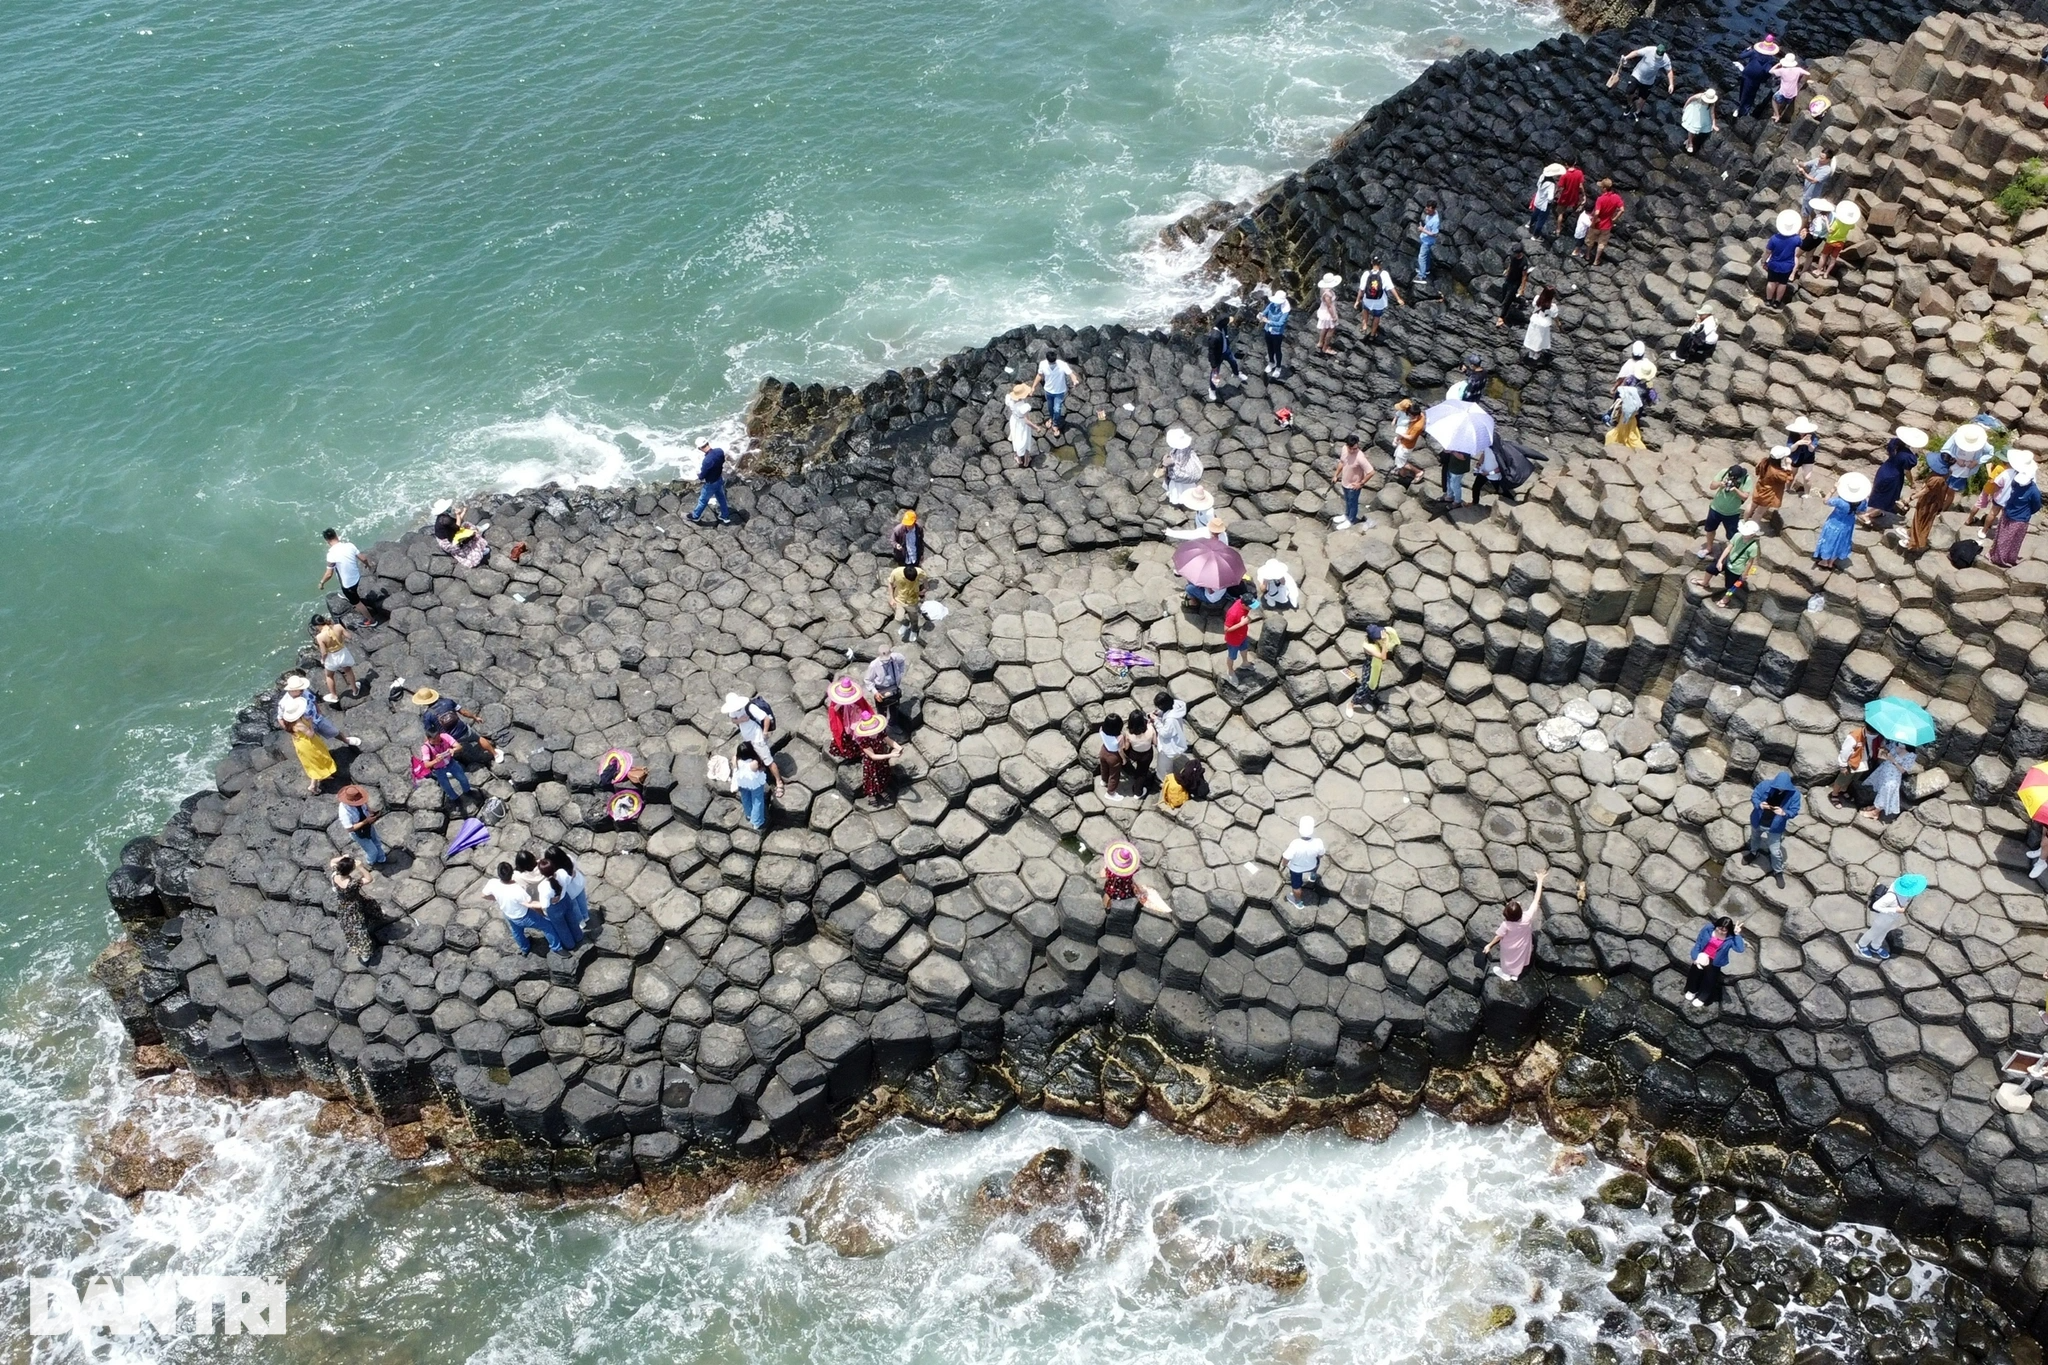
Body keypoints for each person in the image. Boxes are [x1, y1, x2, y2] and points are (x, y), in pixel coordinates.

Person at [1903, 424, 1984, 551]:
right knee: (1921, 519)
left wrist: (1910, 498)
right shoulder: (1945, 474)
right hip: (1935, 501)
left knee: (1922, 520)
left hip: (1928, 502)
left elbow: (1925, 490)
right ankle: (1912, 534)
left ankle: (1915, 543)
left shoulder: (1936, 479)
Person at [480, 862, 562, 956]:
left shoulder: (492, 883)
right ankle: (557, 947)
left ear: (499, 874)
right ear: (512, 873)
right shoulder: (517, 889)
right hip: (524, 916)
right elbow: (530, 904)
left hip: (508, 914)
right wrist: (547, 903)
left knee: (517, 932)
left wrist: (496, 898)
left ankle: (525, 948)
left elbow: (483, 895)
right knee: (547, 926)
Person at [1482, 869, 1548, 981]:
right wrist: (1540, 880)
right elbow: (1536, 899)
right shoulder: (1527, 917)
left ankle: (1506, 974)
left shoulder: (1506, 924)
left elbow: (1498, 936)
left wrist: (1489, 945)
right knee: (1519, 959)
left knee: (1507, 960)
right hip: (1523, 944)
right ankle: (1515, 975)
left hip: (1509, 946)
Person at [411, 687, 501, 763]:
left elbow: (430, 732)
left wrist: (427, 744)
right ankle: (495, 754)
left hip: (449, 738)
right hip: (463, 729)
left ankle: (448, 765)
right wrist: (475, 717)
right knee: (478, 738)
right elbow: (463, 712)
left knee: (446, 751)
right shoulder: (448, 702)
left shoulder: (427, 716)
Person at [721, 692, 785, 796]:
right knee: (752, 756)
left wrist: (764, 732)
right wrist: (741, 720)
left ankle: (779, 782)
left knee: (768, 761)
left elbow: (766, 718)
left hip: (758, 739)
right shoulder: (733, 710)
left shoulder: (750, 708)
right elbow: (733, 720)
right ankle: (760, 768)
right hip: (747, 739)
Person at [1746, 771, 1801, 886]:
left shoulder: (1795, 794)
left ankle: (1778, 871)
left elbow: (1794, 810)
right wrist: (1759, 804)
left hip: (1775, 827)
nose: (1780, 789)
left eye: (1783, 788)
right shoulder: (1765, 785)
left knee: (1775, 851)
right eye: (1777, 787)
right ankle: (1753, 852)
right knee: (1755, 837)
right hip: (1758, 820)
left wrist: (1784, 812)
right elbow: (1754, 796)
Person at [1682, 915, 1747, 1010]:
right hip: (1701, 956)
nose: (1720, 931)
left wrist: (1737, 935)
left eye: (1724, 930)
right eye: (1719, 928)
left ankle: (1702, 997)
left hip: (1716, 961)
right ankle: (1692, 990)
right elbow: (1699, 942)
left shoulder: (1730, 938)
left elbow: (1740, 949)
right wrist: (1695, 956)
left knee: (1709, 980)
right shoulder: (1708, 929)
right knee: (1694, 974)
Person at [1866, 426, 1926, 526]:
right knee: (1887, 498)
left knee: (1880, 493)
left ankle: (1876, 512)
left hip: (1884, 470)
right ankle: (1867, 515)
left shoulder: (1894, 443)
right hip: (1893, 477)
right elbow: (1907, 471)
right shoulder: (1908, 456)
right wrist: (1912, 483)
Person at [1856, 874, 1926, 960]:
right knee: (1873, 932)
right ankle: (1861, 944)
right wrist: (1895, 909)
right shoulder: (1891, 897)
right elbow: (1876, 906)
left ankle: (1875, 946)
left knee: (1883, 933)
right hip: (1883, 919)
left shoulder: (1901, 891)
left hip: (1891, 919)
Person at [1991, 451, 2041, 567]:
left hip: (2020, 518)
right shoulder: (2016, 482)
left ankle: (2009, 558)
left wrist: (2026, 513)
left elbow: (2036, 505)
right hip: (2008, 512)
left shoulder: (2033, 491)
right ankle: (1999, 558)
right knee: (2003, 537)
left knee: (2014, 540)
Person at [318, 529, 377, 628]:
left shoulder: (331, 554)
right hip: (356, 577)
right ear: (336, 535)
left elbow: (329, 574)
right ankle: (352, 596)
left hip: (347, 584)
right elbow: (363, 558)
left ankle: (371, 621)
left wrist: (321, 583)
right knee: (353, 592)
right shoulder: (350, 545)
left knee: (357, 602)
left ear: (327, 541)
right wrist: (368, 565)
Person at [278, 675, 359, 748]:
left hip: (317, 718)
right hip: (305, 726)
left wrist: (318, 710)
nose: (303, 690)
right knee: (316, 744)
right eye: (300, 689)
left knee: (334, 731)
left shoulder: (304, 690)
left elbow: (312, 699)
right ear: (293, 690)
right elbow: (280, 718)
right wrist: (291, 731)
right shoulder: (284, 703)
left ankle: (345, 740)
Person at [1697, 519, 1763, 607]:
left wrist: (1744, 573)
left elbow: (1750, 562)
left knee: (1731, 586)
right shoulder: (1737, 535)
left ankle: (1726, 599)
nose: (1743, 535)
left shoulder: (1753, 547)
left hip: (1737, 569)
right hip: (1728, 560)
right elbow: (1728, 548)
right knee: (1710, 569)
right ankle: (1705, 582)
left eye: (1746, 534)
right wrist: (1720, 561)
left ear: (1752, 534)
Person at [326, 855, 378, 965]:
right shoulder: (352, 884)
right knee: (359, 929)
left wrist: (343, 857)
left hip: (343, 903)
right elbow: (369, 878)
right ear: (351, 870)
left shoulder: (335, 874)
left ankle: (373, 920)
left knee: (369, 906)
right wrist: (360, 867)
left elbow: (332, 861)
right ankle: (365, 953)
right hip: (354, 906)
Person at [1696, 462, 1753, 561]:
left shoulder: (1746, 479)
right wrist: (1720, 484)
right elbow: (1712, 486)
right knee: (1710, 529)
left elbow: (1745, 496)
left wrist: (1735, 489)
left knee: (1732, 535)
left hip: (1732, 513)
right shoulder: (1724, 472)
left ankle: (1733, 553)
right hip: (1715, 508)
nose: (1732, 479)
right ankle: (1709, 548)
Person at [1814, 472, 1869, 571]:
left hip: (1834, 523)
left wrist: (1832, 490)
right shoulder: (1862, 502)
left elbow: (1826, 501)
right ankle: (1831, 563)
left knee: (1829, 540)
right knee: (1840, 542)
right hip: (1848, 524)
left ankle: (1824, 561)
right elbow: (1862, 512)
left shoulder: (1841, 502)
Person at [1344, 623, 1401, 717]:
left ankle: (1365, 700)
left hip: (1377, 666)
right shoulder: (1368, 646)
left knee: (1374, 686)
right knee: (1366, 686)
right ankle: (1351, 704)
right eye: (1378, 638)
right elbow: (1383, 657)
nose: (1382, 638)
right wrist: (1383, 643)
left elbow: (1393, 636)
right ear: (1374, 639)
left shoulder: (1385, 632)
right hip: (1371, 666)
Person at [412, 727, 474, 811]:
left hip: (451, 763)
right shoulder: (426, 748)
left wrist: (453, 750)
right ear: (429, 739)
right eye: (435, 740)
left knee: (462, 778)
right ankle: (455, 798)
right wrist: (435, 760)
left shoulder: (445, 737)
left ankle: (467, 791)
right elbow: (426, 765)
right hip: (439, 769)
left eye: (438, 739)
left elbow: (459, 747)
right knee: (446, 786)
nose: (438, 742)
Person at [1861, 742, 1918, 823]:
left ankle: (1875, 812)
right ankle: (1874, 806)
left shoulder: (1911, 755)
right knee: (1881, 791)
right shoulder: (1894, 745)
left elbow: (1903, 770)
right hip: (1884, 771)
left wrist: (1893, 760)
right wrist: (1884, 749)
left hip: (1893, 777)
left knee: (1887, 792)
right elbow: (1885, 749)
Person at [853, 713, 900, 807]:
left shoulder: (880, 733)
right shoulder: (864, 741)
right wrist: (890, 755)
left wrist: (898, 747)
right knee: (872, 779)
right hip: (871, 764)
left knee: (882, 775)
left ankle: (881, 790)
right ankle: (871, 794)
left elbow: (888, 740)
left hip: (882, 760)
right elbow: (873, 756)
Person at [1616, 42, 1674, 118]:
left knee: (1642, 98)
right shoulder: (1649, 50)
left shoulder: (1665, 59)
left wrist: (1671, 84)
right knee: (1629, 91)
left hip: (1648, 81)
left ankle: (1638, 112)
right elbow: (1636, 53)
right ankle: (1629, 105)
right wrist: (1626, 58)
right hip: (1637, 75)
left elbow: (1669, 71)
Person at [541, 845, 591, 933]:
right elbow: (575, 868)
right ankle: (586, 916)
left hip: (570, 892)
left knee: (575, 908)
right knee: (582, 902)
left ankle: (581, 923)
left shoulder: (556, 873)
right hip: (579, 884)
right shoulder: (569, 858)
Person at [1829, 722, 1881, 805]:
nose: (1873, 735)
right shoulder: (1854, 736)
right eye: (1871, 733)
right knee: (1841, 779)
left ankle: (1843, 790)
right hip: (1852, 763)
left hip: (1864, 763)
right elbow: (1845, 752)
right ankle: (1834, 794)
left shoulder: (1877, 736)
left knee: (1852, 778)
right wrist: (1843, 765)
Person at [825, 675, 874, 762]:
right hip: (843, 718)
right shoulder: (836, 700)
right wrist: (840, 704)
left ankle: (858, 750)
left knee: (856, 733)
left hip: (854, 717)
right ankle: (849, 752)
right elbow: (834, 710)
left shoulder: (857, 698)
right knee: (844, 734)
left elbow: (862, 706)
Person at [312, 616, 359, 704]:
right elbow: (349, 636)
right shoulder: (338, 626)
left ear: (316, 626)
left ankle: (334, 695)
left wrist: (323, 660)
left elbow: (324, 652)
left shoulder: (319, 636)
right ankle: (355, 690)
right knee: (348, 671)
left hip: (331, 657)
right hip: (342, 653)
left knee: (329, 676)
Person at [1354, 258, 1405, 340]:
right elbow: (1391, 288)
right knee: (1377, 316)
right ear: (1380, 264)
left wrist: (1357, 301)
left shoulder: (1366, 274)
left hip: (1367, 299)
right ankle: (1372, 334)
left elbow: (1361, 289)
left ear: (1371, 263)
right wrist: (1398, 299)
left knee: (1365, 310)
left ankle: (1364, 326)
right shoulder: (1384, 274)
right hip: (1379, 301)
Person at [1281, 816, 1326, 909]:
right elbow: (1321, 855)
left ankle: (1298, 902)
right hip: (1311, 865)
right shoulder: (1318, 842)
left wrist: (1284, 865)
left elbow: (1286, 857)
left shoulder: (1295, 844)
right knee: (1317, 861)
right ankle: (1313, 876)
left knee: (1296, 887)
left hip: (1296, 868)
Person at [1732, 33, 1781, 117]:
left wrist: (1746, 50)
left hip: (1746, 74)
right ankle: (1743, 112)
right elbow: (1768, 71)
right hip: (1755, 79)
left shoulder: (1754, 52)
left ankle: (1741, 106)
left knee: (1743, 91)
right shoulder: (1770, 59)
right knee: (1750, 95)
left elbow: (1741, 56)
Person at [336, 784, 386, 866]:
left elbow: (365, 805)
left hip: (368, 825)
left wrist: (371, 812)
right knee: (372, 851)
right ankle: (371, 863)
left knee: (377, 841)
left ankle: (381, 859)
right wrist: (366, 821)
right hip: (358, 832)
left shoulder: (360, 799)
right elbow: (350, 828)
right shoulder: (344, 812)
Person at [1331, 434, 1374, 529]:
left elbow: (1371, 472)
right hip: (1345, 482)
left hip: (1353, 486)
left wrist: (1361, 483)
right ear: (1347, 445)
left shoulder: (1360, 457)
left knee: (1353, 503)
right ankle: (1346, 515)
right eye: (1351, 448)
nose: (1352, 451)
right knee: (1347, 500)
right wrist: (1336, 475)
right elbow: (1342, 462)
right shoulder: (1344, 449)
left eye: (1355, 448)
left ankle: (1351, 520)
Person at [1577, 179, 1624, 266]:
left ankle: (1587, 255)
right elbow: (1622, 210)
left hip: (1597, 225)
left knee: (1590, 241)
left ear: (1605, 188)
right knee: (1602, 243)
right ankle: (1596, 260)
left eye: (1601, 187)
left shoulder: (1600, 199)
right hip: (1607, 225)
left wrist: (1593, 222)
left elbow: (1597, 213)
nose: (1600, 188)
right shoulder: (1616, 197)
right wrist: (1614, 219)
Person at [1763, 208, 1803, 307]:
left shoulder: (1774, 238)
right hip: (1788, 266)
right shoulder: (1796, 239)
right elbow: (1801, 244)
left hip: (1774, 264)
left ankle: (1768, 300)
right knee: (1782, 283)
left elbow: (1768, 252)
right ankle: (1777, 302)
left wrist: (1764, 261)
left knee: (1771, 281)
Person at [1158, 427, 1204, 506]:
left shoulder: (1179, 452)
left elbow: (1178, 464)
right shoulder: (1186, 447)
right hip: (1189, 470)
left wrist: (1167, 462)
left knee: (1178, 488)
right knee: (1187, 486)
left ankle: (1179, 501)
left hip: (1181, 474)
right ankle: (1189, 498)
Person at [290, 718, 336, 794]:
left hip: (301, 744)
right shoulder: (299, 724)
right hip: (308, 744)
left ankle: (324, 775)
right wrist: (310, 723)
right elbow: (310, 734)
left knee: (314, 762)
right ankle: (312, 786)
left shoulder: (289, 723)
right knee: (316, 762)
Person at [1748, 446, 1796, 517]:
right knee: (1759, 513)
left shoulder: (1764, 461)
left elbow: (1757, 470)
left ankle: (1745, 520)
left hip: (1760, 487)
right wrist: (1788, 464)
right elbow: (1789, 478)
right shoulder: (1777, 472)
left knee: (1752, 506)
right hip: (1767, 494)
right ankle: (1752, 526)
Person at [1034, 349, 1078, 428]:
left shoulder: (1062, 364)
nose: (1053, 363)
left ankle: (1055, 425)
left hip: (1059, 392)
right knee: (1051, 408)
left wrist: (1074, 380)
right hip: (1048, 391)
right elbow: (1039, 375)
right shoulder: (1042, 364)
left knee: (1057, 409)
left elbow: (1071, 374)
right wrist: (1033, 387)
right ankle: (1052, 418)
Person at [1100, 842, 1150, 909]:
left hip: (1111, 889)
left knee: (1107, 895)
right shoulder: (1132, 870)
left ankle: (1107, 907)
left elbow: (1102, 875)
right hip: (1126, 892)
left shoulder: (1111, 870)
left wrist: (1105, 867)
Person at [1816, 200, 1859, 279]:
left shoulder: (1837, 222)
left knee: (1823, 255)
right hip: (1840, 243)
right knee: (1833, 259)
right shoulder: (1850, 224)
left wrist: (1826, 222)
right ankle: (1826, 273)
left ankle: (1818, 270)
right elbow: (1853, 227)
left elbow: (1830, 231)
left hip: (1831, 241)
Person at [1206, 310, 1245, 399]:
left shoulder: (1223, 327)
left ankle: (1236, 373)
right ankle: (1212, 390)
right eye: (1227, 322)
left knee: (1234, 362)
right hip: (1218, 356)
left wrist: (1226, 339)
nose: (1228, 323)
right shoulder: (1214, 337)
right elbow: (1211, 352)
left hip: (1226, 351)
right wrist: (1213, 365)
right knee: (1215, 375)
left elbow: (1225, 335)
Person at [1388, 398, 1427, 485]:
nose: (1409, 416)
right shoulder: (1421, 415)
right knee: (1399, 457)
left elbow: (1411, 437)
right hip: (1404, 443)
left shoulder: (1417, 426)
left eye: (1410, 415)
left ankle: (1418, 472)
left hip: (1407, 445)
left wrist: (1400, 435)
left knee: (1400, 461)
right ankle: (1403, 473)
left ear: (1415, 416)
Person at [1493, 241, 1530, 329]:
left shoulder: (1524, 262)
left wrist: (1522, 289)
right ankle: (1521, 301)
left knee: (1508, 300)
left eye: (1515, 253)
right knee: (1505, 291)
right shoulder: (1513, 256)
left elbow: (1524, 277)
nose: (1514, 254)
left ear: (1519, 253)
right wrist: (1507, 270)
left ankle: (1501, 318)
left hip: (1516, 282)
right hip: (1509, 278)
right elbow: (1511, 264)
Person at [1005, 382, 1041, 467]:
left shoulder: (1010, 400)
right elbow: (1027, 421)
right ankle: (1026, 461)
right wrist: (1036, 427)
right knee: (1025, 440)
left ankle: (1018, 458)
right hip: (1022, 424)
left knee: (1016, 438)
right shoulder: (1023, 406)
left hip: (1014, 420)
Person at [1152, 691, 1189, 772]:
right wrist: (1160, 714)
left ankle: (1163, 778)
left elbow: (1165, 733)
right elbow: (1168, 712)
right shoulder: (1175, 705)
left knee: (1164, 764)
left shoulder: (1170, 720)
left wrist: (1156, 721)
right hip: (1177, 734)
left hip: (1170, 745)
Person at [1784, 416, 1821, 497]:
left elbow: (1812, 450)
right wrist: (1798, 443)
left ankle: (1807, 494)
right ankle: (1787, 489)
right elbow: (1790, 449)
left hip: (1807, 457)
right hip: (1795, 456)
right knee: (1791, 475)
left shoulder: (1812, 435)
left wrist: (1809, 444)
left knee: (1807, 478)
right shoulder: (1793, 435)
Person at [865, 650, 908, 719]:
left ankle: (893, 722)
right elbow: (867, 680)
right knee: (881, 711)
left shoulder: (895, 657)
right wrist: (875, 692)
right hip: (880, 690)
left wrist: (900, 673)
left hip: (893, 687)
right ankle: (883, 725)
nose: (886, 661)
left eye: (887, 659)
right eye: (883, 660)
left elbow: (902, 659)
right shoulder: (873, 665)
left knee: (894, 708)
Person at [1123, 708, 1157, 796]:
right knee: (1142, 773)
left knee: (1122, 750)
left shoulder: (1128, 733)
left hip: (1134, 754)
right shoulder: (1150, 728)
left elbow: (1126, 747)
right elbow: (1155, 742)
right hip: (1147, 755)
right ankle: (1138, 792)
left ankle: (1126, 766)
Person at [887, 563, 924, 643]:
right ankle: (906, 624)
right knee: (898, 618)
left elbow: (925, 578)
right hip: (899, 599)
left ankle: (914, 630)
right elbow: (890, 584)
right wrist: (891, 598)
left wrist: (925, 588)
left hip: (912, 601)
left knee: (914, 618)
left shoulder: (919, 572)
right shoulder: (896, 572)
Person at [1522, 286, 1560, 365]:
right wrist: (1558, 323)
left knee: (1532, 336)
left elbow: (1534, 305)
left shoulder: (1537, 299)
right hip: (1544, 323)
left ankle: (1531, 352)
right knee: (1540, 338)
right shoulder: (1552, 307)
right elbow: (1554, 316)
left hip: (1535, 320)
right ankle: (1537, 353)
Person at [1259, 289, 1291, 377]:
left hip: (1277, 333)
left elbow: (1280, 323)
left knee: (1277, 350)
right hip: (1267, 330)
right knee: (1269, 348)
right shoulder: (1272, 304)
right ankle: (1271, 362)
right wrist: (1260, 315)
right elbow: (1265, 311)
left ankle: (1278, 367)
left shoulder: (1285, 311)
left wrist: (1268, 321)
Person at [735, 753, 771, 830]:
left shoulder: (736, 759)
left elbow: (735, 766)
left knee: (745, 796)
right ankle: (756, 822)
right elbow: (762, 768)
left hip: (743, 781)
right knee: (757, 801)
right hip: (755, 783)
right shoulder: (754, 762)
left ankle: (748, 814)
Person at [1770, 52, 1809, 121]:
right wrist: (1799, 75)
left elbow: (1770, 71)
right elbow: (1808, 73)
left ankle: (1777, 115)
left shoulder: (1782, 70)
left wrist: (1777, 64)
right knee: (1784, 102)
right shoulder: (1798, 69)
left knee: (1774, 99)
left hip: (1783, 92)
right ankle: (1780, 111)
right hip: (1793, 94)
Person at [1551, 165, 1585, 242]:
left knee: (1560, 213)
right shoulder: (1579, 173)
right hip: (1574, 196)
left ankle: (1558, 230)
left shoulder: (1564, 174)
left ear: (1566, 164)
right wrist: (1584, 195)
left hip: (1565, 197)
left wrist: (1554, 194)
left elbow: (1560, 187)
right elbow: (1580, 186)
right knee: (1577, 213)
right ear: (1575, 162)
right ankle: (1578, 229)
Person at [1528, 164, 1563, 238]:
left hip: (1538, 199)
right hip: (1544, 204)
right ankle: (1535, 236)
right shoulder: (1551, 184)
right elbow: (1550, 198)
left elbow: (1538, 185)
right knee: (1541, 220)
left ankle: (1530, 224)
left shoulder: (1542, 176)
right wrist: (1552, 198)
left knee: (1535, 212)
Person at [1097, 712, 1126, 798]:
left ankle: (1104, 781)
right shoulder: (1120, 737)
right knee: (1114, 775)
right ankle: (1110, 793)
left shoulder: (1101, 729)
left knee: (1104, 767)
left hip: (1103, 751)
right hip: (1114, 757)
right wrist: (1124, 759)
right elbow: (1120, 750)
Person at [1681, 87, 1719, 153]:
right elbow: (1690, 99)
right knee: (1692, 128)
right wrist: (1685, 107)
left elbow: (1712, 112)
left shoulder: (1712, 103)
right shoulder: (1699, 96)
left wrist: (1713, 124)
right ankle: (1690, 144)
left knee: (1697, 129)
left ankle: (1689, 140)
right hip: (1695, 111)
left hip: (1703, 115)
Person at [1223, 594, 1251, 676]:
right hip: (1233, 640)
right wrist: (1241, 624)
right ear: (1243, 605)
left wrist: (1247, 620)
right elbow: (1226, 629)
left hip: (1243, 635)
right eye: (1250, 606)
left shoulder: (1243, 603)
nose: (1252, 608)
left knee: (1244, 648)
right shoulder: (1233, 613)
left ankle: (1245, 662)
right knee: (1232, 656)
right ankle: (1230, 669)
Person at [1314, 273, 1341, 354]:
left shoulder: (1323, 289)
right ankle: (1325, 348)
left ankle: (1320, 342)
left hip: (1324, 310)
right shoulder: (1327, 294)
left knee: (1324, 327)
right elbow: (1329, 306)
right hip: (1328, 313)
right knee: (1331, 329)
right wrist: (1334, 316)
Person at [1415, 202, 1441, 284]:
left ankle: (1421, 276)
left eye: (1428, 210)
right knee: (1427, 256)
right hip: (1424, 238)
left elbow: (1434, 234)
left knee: (1421, 257)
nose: (1427, 211)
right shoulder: (1431, 214)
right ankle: (1426, 269)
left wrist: (1423, 230)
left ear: (1433, 209)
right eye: (1426, 209)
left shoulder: (1435, 221)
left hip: (1428, 242)